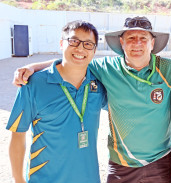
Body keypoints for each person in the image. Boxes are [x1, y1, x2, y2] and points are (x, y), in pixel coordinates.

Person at [12, 17, 171, 182]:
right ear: (121, 44)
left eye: (143, 38)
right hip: (120, 165)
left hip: (161, 162)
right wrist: (33, 67)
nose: (137, 43)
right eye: (131, 38)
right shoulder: (105, 67)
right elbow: (75, 60)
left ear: (153, 44)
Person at [6, 20, 107, 183]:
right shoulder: (32, 84)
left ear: (94, 50)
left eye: (88, 44)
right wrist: (18, 180)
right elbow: (18, 136)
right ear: (61, 44)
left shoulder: (99, 82)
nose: (80, 49)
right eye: (74, 41)